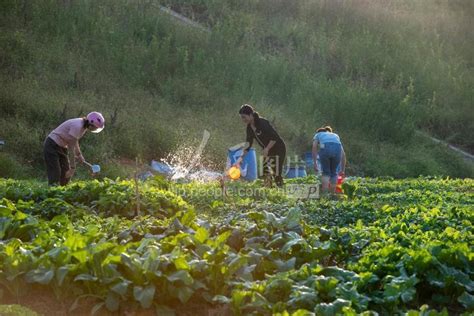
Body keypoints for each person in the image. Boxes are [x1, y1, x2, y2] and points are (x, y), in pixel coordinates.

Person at [44, 112, 105, 186]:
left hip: (62, 147)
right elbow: (71, 149)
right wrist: (72, 168)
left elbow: (75, 141)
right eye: (95, 127)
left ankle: (61, 193)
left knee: (66, 173)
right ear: (90, 123)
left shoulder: (83, 127)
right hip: (52, 145)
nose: (95, 129)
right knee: (56, 172)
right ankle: (51, 192)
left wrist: (79, 155)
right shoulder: (77, 126)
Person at [235, 104, 286, 187]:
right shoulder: (249, 128)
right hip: (268, 150)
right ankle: (269, 190)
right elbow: (248, 144)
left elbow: (274, 137)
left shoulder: (262, 123)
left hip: (278, 148)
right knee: (265, 172)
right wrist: (240, 158)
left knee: (276, 172)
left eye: (244, 117)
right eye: (242, 118)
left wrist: (267, 149)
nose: (243, 120)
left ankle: (281, 190)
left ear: (251, 115)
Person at [312, 126, 346, 194]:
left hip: (325, 148)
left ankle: (325, 195)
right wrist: (342, 170)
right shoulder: (335, 136)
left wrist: (315, 163)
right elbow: (343, 154)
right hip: (337, 149)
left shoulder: (318, 134)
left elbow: (314, 146)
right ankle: (332, 194)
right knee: (334, 173)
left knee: (326, 173)